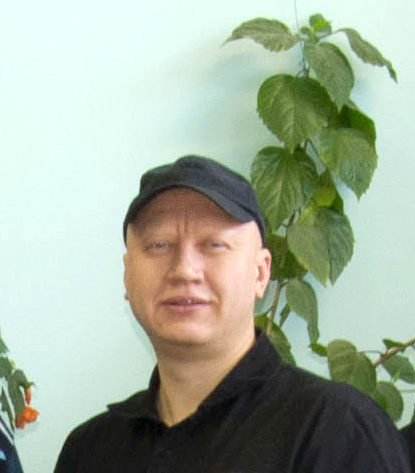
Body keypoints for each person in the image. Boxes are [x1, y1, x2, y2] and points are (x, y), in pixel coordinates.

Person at [54, 155, 411, 472]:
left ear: (261, 273)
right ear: (127, 276)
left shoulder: (335, 430)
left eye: (214, 245)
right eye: (159, 245)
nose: (184, 270)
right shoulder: (89, 450)